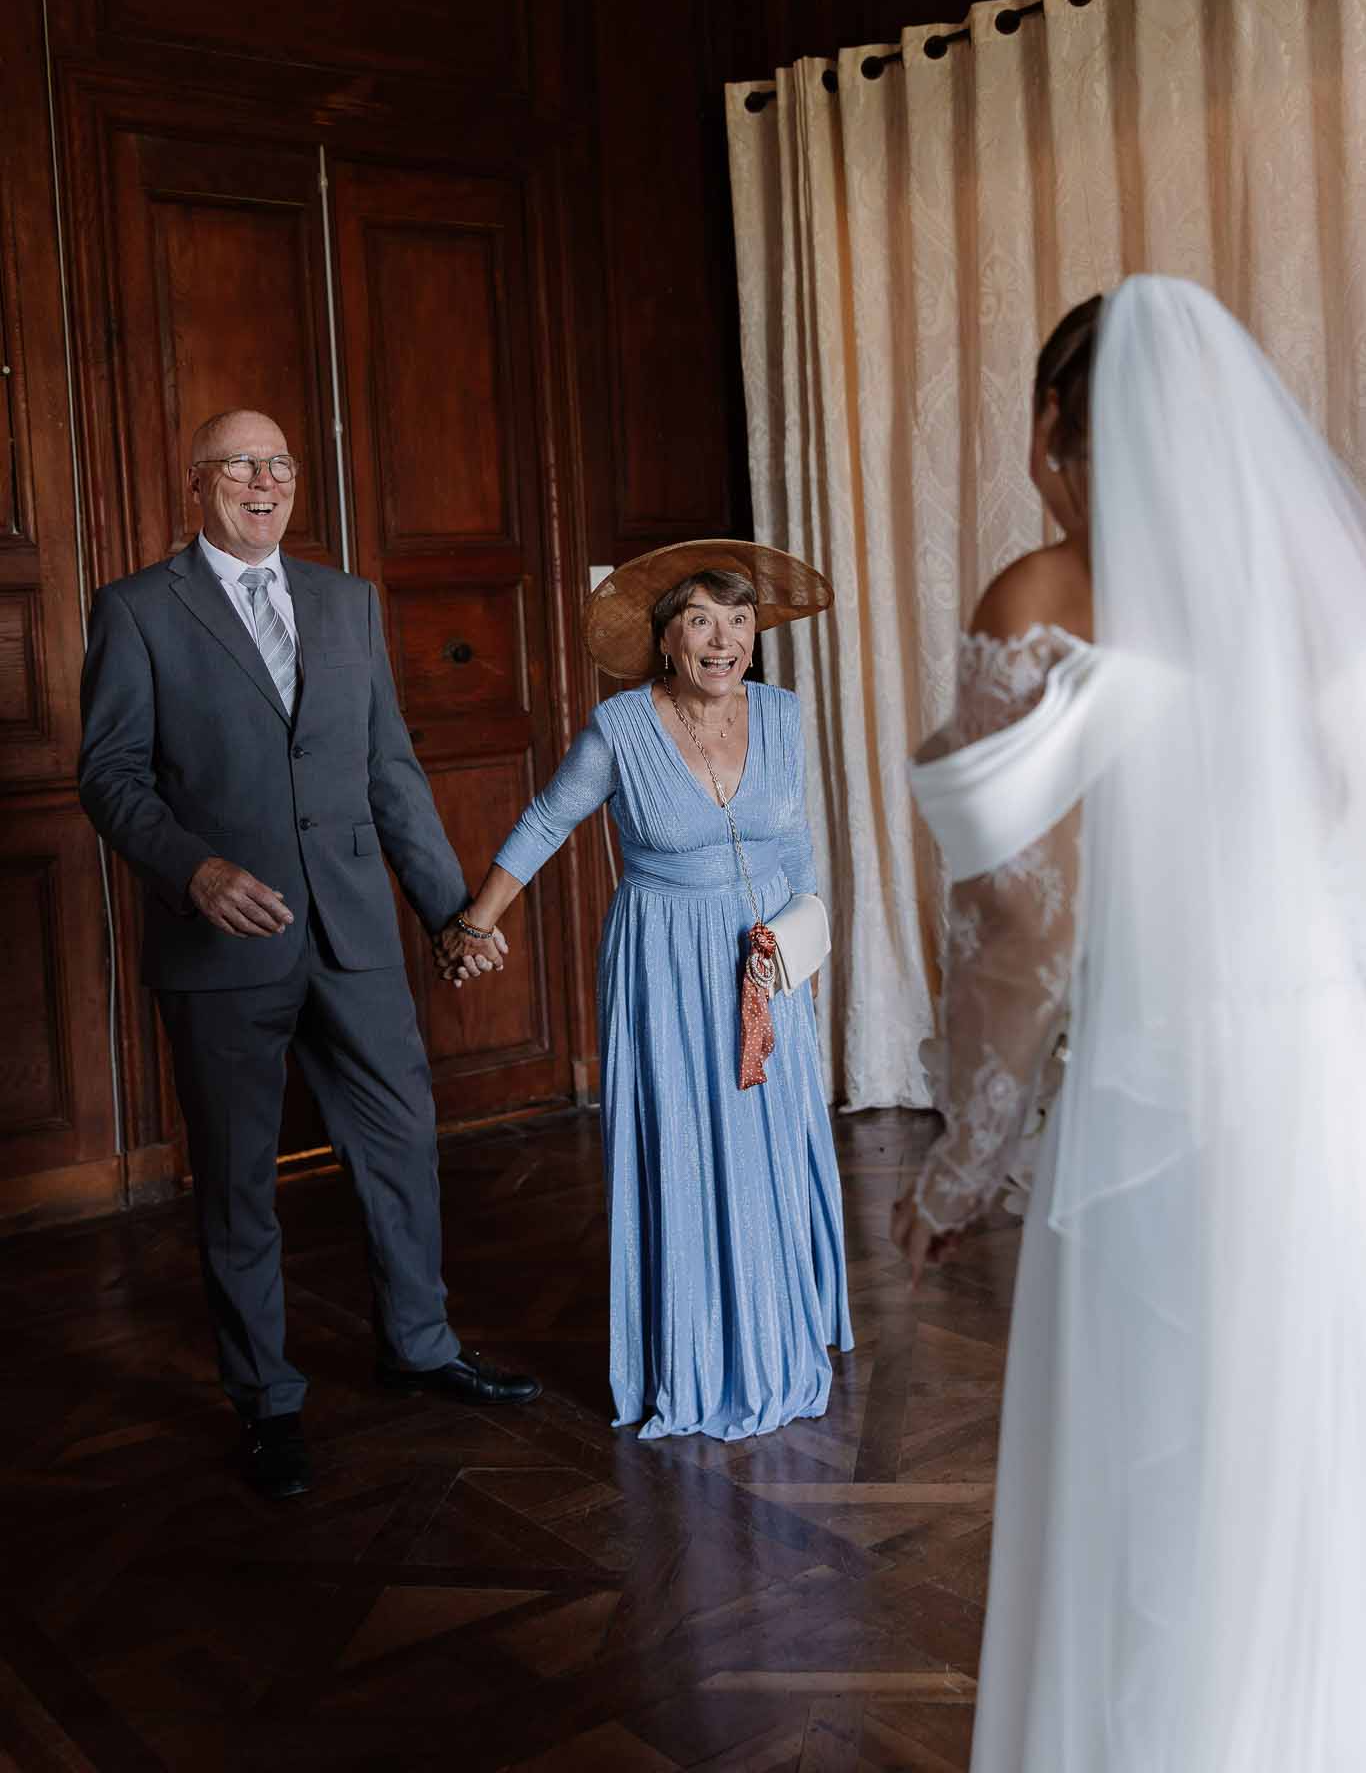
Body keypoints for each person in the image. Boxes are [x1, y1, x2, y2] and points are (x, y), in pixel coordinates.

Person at [893, 275, 1366, 1769]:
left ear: (1050, 425)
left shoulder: (1041, 597)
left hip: (1160, 1079)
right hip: (1314, 1075)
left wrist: (960, 1163)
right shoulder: (1306, 602)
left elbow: (1025, 926)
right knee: (1280, 1454)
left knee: (1148, 1455)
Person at [78, 409, 540, 1501]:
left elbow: (391, 771)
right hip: (222, 942)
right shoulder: (137, 608)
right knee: (239, 1180)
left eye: (280, 463)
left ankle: (418, 1345)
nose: (264, 480)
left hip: (354, 935)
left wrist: (452, 914)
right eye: (241, 463)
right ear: (197, 484)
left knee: (402, 1142)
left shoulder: (347, 601)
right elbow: (109, 774)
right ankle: (268, 1402)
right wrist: (194, 871)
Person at [438, 542, 854, 1439]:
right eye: (701, 621)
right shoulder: (622, 727)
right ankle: (700, 1350)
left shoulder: (782, 714)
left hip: (765, 961)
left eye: (739, 621)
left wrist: (804, 956)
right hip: (666, 963)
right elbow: (546, 820)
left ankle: (780, 1326)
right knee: (691, 1145)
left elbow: (795, 844)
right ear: (665, 640)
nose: (724, 640)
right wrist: (476, 922)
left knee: (769, 1142)